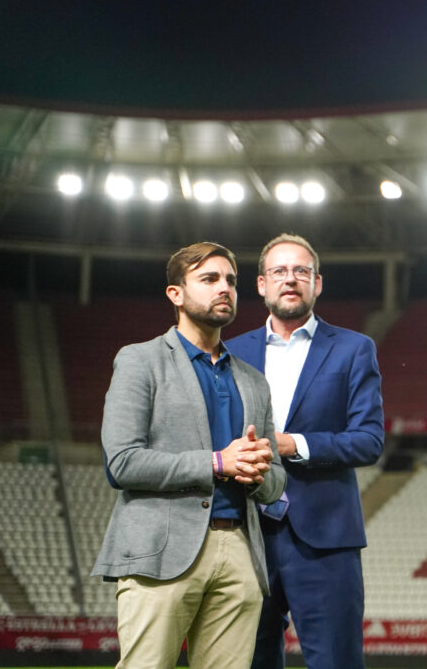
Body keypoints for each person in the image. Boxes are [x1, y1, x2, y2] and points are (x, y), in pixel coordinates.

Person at [92, 242, 287, 669]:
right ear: (175, 294)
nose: (225, 289)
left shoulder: (254, 382)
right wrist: (218, 463)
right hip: (161, 553)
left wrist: (256, 474)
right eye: (209, 279)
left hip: (239, 550)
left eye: (231, 281)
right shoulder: (139, 361)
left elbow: (276, 480)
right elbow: (122, 462)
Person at [227, 233, 384, 669]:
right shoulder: (231, 353)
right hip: (245, 535)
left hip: (324, 540)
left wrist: (292, 444)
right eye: (279, 271)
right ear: (261, 285)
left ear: (318, 283)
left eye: (302, 271)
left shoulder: (354, 348)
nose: (290, 279)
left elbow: (369, 440)